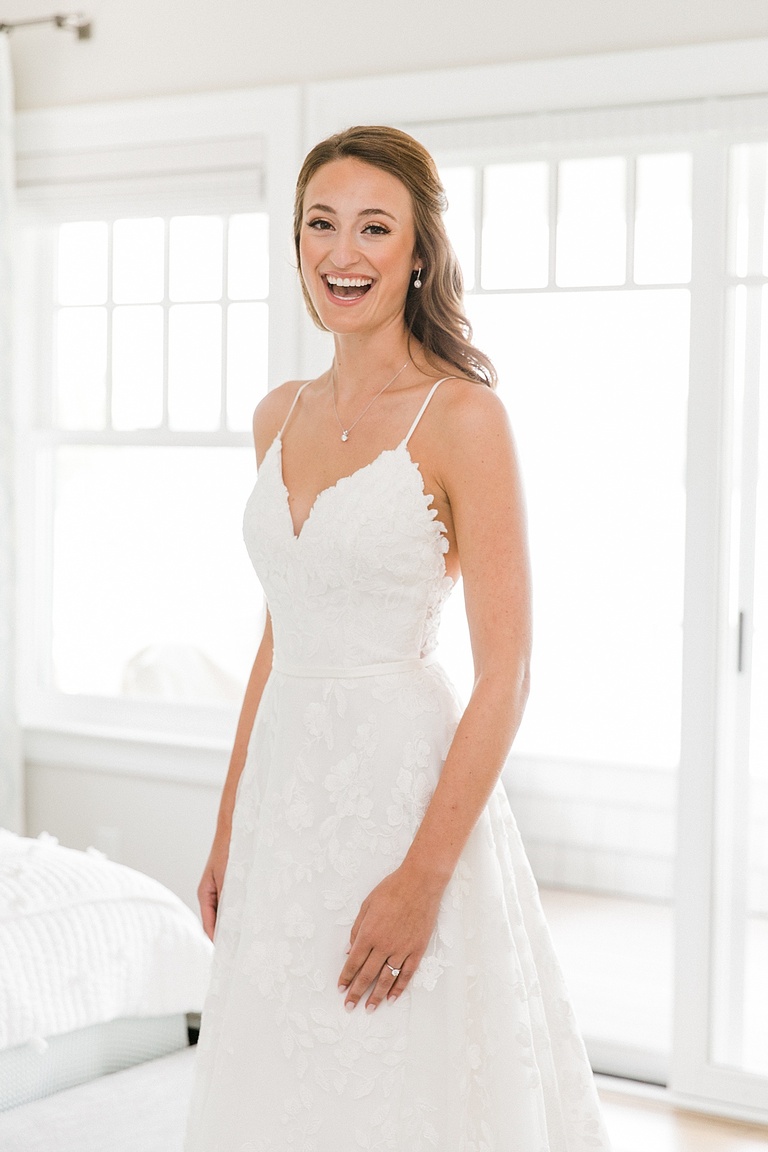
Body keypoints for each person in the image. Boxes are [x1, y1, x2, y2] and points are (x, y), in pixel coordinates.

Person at [184, 125, 612, 1152]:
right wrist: (229, 821)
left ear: (418, 253)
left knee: (400, 1072)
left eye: (375, 227)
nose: (344, 252)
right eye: (321, 225)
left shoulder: (462, 417)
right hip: (287, 798)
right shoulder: (276, 415)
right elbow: (278, 635)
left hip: (402, 792)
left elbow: (507, 674)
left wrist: (422, 879)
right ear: (295, 244)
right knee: (280, 1074)